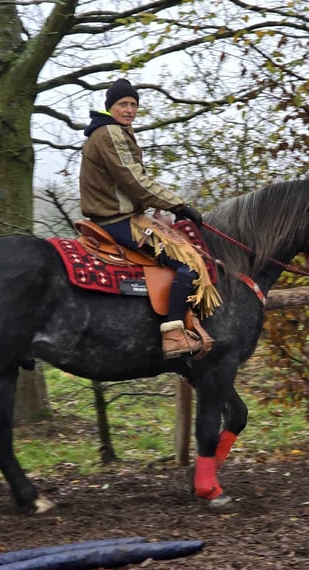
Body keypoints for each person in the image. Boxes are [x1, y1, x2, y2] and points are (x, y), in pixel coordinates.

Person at [79, 78, 219, 359]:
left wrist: (152, 206)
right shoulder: (110, 132)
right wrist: (179, 205)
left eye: (133, 104)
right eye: (123, 104)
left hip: (124, 214)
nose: (129, 110)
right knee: (188, 262)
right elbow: (134, 180)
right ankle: (173, 335)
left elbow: (125, 184)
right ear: (110, 107)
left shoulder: (113, 131)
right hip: (115, 220)